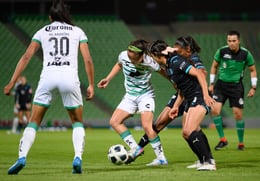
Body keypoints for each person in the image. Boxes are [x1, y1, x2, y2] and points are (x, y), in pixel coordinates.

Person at [3, 0, 95, 175]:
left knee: (33, 122)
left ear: (50, 17)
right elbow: (88, 60)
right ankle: (77, 157)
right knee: (77, 122)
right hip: (69, 77)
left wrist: (12, 82)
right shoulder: (77, 31)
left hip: (48, 76)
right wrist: (90, 84)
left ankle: (22, 156)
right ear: (66, 15)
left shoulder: (42, 31)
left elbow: (26, 57)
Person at [137, 36, 212, 169]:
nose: (152, 59)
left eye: (153, 56)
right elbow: (181, 91)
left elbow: (200, 74)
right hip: (189, 97)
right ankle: (203, 160)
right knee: (186, 132)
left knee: (190, 130)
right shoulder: (169, 67)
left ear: (157, 55)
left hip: (199, 95)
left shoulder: (176, 62)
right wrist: (176, 107)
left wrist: (206, 95)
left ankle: (209, 162)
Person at [97, 39, 168, 166]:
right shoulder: (123, 55)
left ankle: (161, 158)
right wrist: (108, 79)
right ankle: (136, 148)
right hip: (130, 96)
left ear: (141, 55)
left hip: (145, 96)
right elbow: (119, 64)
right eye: (129, 54)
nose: (130, 57)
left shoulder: (150, 62)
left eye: (133, 56)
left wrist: (176, 83)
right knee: (114, 121)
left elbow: (164, 72)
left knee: (146, 126)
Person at [208, 30, 258, 151]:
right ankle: (223, 140)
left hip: (236, 87)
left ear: (239, 41)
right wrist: (211, 83)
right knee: (215, 110)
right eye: (229, 41)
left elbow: (253, 70)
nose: (231, 43)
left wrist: (253, 87)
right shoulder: (221, 51)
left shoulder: (245, 54)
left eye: (234, 41)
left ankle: (241, 143)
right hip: (221, 85)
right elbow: (214, 66)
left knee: (238, 114)